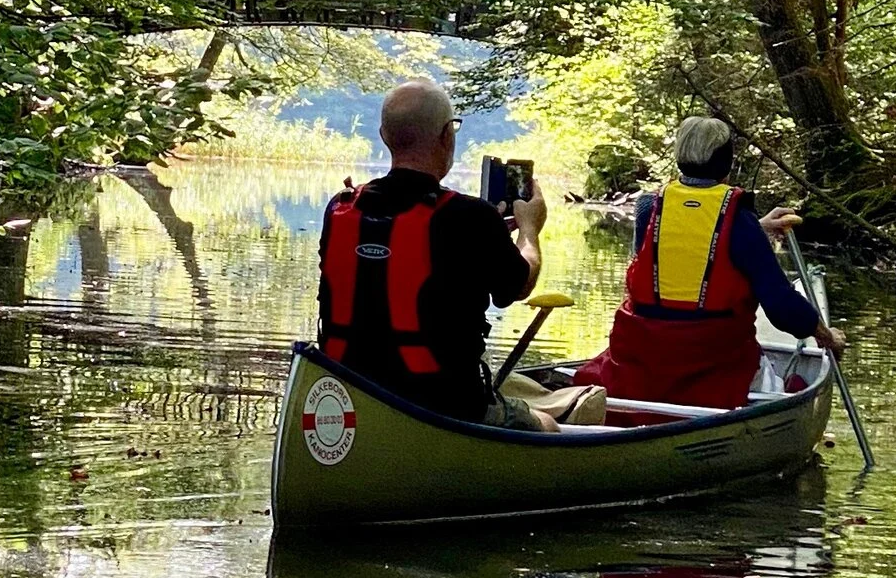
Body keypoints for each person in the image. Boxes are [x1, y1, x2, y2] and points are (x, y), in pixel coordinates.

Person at [317, 81, 601, 425]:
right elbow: (518, 285)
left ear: (384, 136)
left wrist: (491, 235)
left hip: (351, 394)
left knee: (514, 389)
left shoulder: (341, 208)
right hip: (443, 403)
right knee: (548, 427)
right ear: (446, 137)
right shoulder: (471, 216)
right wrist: (529, 230)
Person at [577, 113, 832, 411]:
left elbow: (676, 254)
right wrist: (825, 335)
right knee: (779, 384)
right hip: (714, 366)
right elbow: (781, 307)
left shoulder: (649, 207)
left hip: (642, 361)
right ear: (726, 162)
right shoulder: (739, 221)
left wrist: (757, 229)